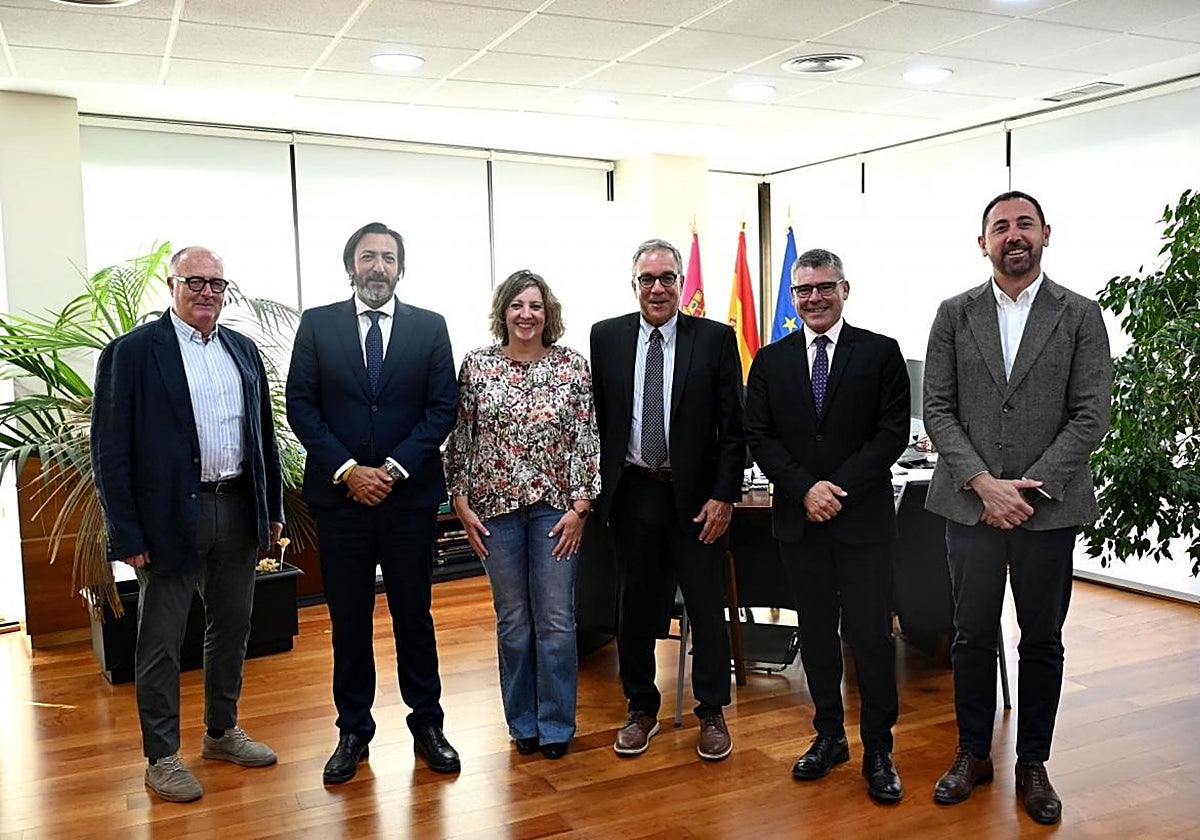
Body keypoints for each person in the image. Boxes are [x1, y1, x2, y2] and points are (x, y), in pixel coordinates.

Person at [923, 191, 1112, 825]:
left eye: (1023, 224)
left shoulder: (1081, 315)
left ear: (1046, 234)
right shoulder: (954, 314)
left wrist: (1027, 486)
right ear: (982, 242)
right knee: (971, 636)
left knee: (1044, 640)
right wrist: (983, 481)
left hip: (1046, 511)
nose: (1013, 235)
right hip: (970, 507)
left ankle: (1033, 761)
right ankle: (972, 752)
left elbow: (1092, 414)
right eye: (1000, 227)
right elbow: (939, 409)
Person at [91, 246, 284, 803]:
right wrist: (126, 533)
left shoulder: (242, 352)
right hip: (170, 518)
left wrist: (270, 509)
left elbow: (262, 438)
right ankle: (161, 757)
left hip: (236, 509)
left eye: (217, 284)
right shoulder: (131, 354)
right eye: (195, 281)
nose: (207, 292)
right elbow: (110, 451)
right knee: (161, 640)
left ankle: (221, 732)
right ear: (171, 285)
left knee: (232, 626)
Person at [285, 221, 460, 783]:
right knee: (349, 620)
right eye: (367, 257)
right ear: (350, 266)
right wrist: (347, 471)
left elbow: (442, 408)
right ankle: (353, 730)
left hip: (408, 501)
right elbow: (300, 406)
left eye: (387, 257)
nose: (377, 266)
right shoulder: (317, 325)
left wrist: (390, 470)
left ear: (400, 268)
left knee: (415, 616)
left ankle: (427, 724)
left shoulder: (429, 328)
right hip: (341, 503)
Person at [744, 248, 910, 802]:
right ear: (794, 298)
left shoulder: (881, 353)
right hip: (800, 522)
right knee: (815, 635)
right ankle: (829, 735)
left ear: (845, 289)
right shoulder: (769, 361)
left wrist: (834, 488)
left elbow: (890, 435)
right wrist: (803, 489)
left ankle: (879, 749)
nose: (814, 298)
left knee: (870, 638)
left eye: (824, 287)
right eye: (803, 290)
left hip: (861, 522)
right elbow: (760, 436)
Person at [589, 238, 745, 762]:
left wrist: (725, 496)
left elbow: (733, 429)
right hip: (633, 493)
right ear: (633, 284)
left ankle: (712, 711)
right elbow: (599, 422)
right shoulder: (606, 337)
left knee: (706, 604)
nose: (657, 288)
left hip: (698, 500)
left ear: (682, 283)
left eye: (667, 278)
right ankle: (640, 708)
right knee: (634, 607)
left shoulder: (716, 339)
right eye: (647, 279)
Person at [443, 269, 600, 760]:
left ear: (547, 313)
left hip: (556, 513)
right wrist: (460, 500)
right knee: (513, 621)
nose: (526, 315)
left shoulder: (572, 366)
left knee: (556, 620)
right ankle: (523, 722)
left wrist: (580, 507)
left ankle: (556, 723)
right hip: (495, 513)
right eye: (516, 305)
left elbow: (585, 437)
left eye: (535, 306)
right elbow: (462, 437)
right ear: (503, 313)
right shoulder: (477, 366)